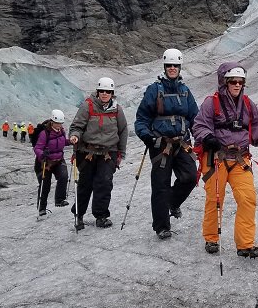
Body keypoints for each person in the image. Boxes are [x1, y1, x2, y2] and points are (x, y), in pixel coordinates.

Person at [192, 63, 258, 257]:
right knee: (215, 199)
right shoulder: (211, 103)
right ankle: (211, 238)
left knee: (247, 198)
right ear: (224, 82)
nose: (237, 85)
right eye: (233, 82)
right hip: (216, 158)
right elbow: (199, 125)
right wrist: (207, 137)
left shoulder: (247, 104)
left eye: (240, 82)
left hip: (240, 159)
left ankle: (245, 244)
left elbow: (256, 127)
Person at [135, 48, 199, 239]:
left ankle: (172, 202)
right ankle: (162, 226)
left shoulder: (185, 91)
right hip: (160, 144)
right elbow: (142, 118)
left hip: (182, 142)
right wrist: (146, 136)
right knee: (160, 185)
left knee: (190, 177)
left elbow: (195, 118)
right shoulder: (154, 90)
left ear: (180, 67)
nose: (172, 68)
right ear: (164, 66)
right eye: (169, 65)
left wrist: (202, 138)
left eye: (175, 65)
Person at [69, 77, 128, 230]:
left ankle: (101, 216)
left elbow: (123, 131)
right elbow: (77, 126)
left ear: (112, 93)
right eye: (102, 91)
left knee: (104, 184)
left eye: (108, 91)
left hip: (109, 153)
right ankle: (78, 214)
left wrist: (121, 152)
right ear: (98, 91)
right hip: (87, 152)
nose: (104, 94)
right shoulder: (87, 106)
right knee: (85, 184)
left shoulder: (117, 109)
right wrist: (75, 135)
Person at [34, 110, 71, 216]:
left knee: (63, 176)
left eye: (60, 123)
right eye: (57, 123)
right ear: (52, 121)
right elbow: (37, 148)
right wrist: (42, 154)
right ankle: (42, 207)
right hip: (45, 162)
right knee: (45, 184)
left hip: (58, 160)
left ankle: (59, 200)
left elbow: (63, 142)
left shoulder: (61, 131)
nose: (59, 125)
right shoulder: (44, 133)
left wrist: (71, 141)